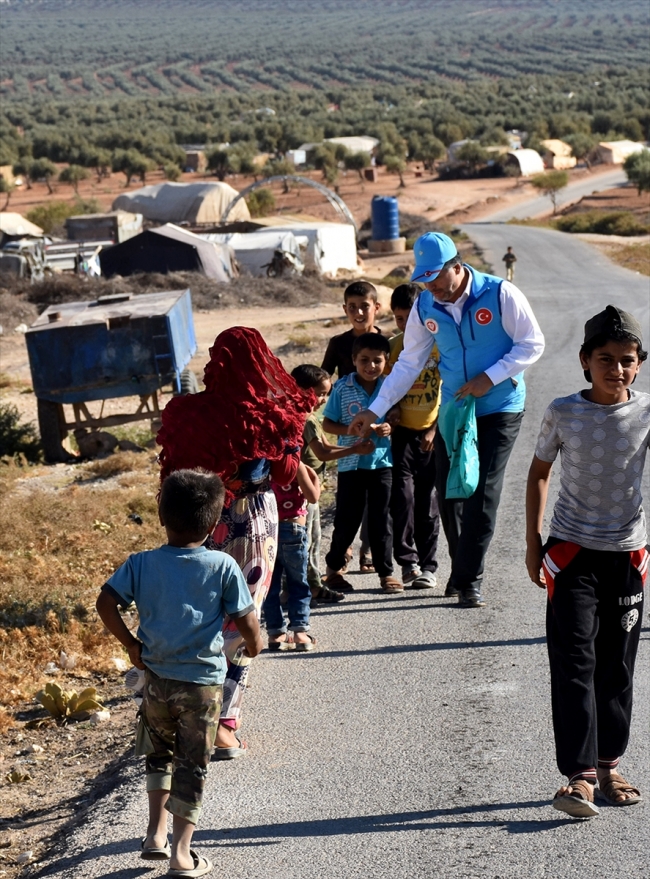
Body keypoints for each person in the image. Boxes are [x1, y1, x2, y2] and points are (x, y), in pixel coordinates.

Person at [348, 232, 545, 608]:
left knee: (481, 489)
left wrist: (490, 377)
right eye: (425, 279)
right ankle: (461, 568)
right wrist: (374, 409)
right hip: (455, 408)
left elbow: (532, 343)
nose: (432, 286)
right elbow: (409, 362)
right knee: (450, 490)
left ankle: (470, 579)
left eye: (437, 277)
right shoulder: (425, 307)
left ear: (457, 265)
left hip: (500, 405)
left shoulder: (500, 293)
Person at [156, 327, 313, 758]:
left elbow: (171, 471)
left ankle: (184, 715)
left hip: (197, 522)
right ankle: (222, 725)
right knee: (242, 618)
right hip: (253, 524)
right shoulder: (266, 414)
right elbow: (283, 475)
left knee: (198, 616)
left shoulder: (188, 413)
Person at [96, 469, 263, 876]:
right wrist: (255, 647)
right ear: (213, 522)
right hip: (203, 685)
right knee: (192, 764)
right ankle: (183, 854)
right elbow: (247, 620)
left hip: (155, 681)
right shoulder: (222, 566)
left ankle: (155, 833)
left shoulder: (140, 564)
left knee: (158, 754)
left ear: (161, 514)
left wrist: (132, 646)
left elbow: (105, 603)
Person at [525, 305, 648, 818]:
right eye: (605, 358)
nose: (615, 369)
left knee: (617, 668)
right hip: (571, 554)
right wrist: (535, 544)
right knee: (575, 664)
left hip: (628, 558)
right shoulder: (563, 411)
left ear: (639, 364)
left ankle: (609, 765)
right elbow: (538, 473)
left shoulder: (645, 412)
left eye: (626, 360)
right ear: (584, 361)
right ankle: (577, 777)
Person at [322, 332, 402, 594]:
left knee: (381, 520)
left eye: (377, 361)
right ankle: (333, 571)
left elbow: (397, 415)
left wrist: (388, 427)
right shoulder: (342, 388)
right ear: (354, 360)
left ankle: (386, 573)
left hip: (382, 464)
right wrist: (352, 432)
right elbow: (327, 422)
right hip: (350, 464)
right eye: (364, 360)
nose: (371, 366)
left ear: (386, 362)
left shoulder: (390, 386)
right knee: (347, 519)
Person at [291, 364, 375, 603]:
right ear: (301, 390)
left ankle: (309, 586)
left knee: (311, 540)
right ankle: (308, 588)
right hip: (303, 491)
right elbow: (323, 453)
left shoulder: (308, 417)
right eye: (319, 393)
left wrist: (355, 447)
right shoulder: (305, 419)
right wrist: (354, 448)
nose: (323, 399)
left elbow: (326, 447)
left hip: (309, 489)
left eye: (326, 394)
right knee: (305, 542)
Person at [322, 280, 384, 573]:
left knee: (378, 502)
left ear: (376, 308)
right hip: (347, 436)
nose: (359, 312)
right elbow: (323, 380)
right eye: (352, 307)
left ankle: (368, 551)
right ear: (345, 309)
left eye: (365, 306)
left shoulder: (387, 343)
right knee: (349, 500)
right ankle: (344, 546)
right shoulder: (338, 344)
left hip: (381, 435)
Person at [386, 283, 442, 589]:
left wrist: (435, 429)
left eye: (410, 318)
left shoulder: (440, 345)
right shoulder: (394, 347)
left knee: (428, 502)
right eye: (399, 318)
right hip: (402, 436)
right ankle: (408, 562)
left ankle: (429, 565)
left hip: (432, 435)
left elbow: (452, 389)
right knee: (403, 499)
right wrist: (392, 408)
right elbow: (386, 386)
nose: (405, 325)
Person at [264, 462, 321, 651]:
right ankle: (299, 633)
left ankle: (276, 633)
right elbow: (313, 497)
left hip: (268, 531)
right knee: (298, 583)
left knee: (270, 587)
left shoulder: (262, 464)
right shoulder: (294, 464)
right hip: (293, 529)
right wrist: (315, 480)